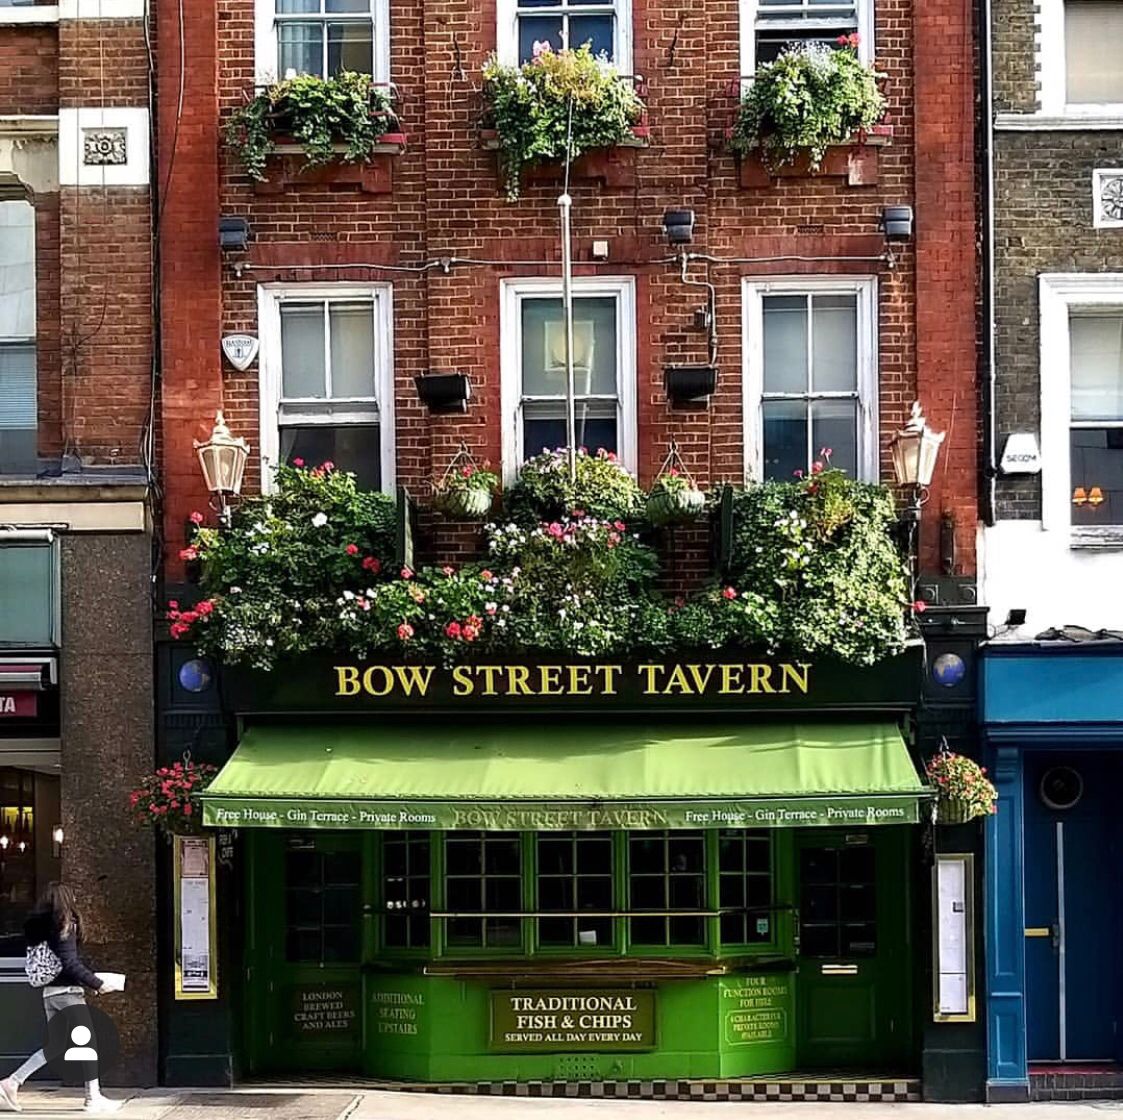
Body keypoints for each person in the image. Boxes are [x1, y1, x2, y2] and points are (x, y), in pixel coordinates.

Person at [0, 884, 120, 1114]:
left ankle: (11, 1082)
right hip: (67, 994)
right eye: (73, 895)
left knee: (55, 1045)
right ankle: (93, 1098)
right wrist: (97, 983)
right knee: (88, 1043)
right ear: (68, 899)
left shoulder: (40, 928)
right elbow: (70, 962)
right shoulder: (66, 924)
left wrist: (89, 981)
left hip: (50, 992)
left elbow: (59, 962)